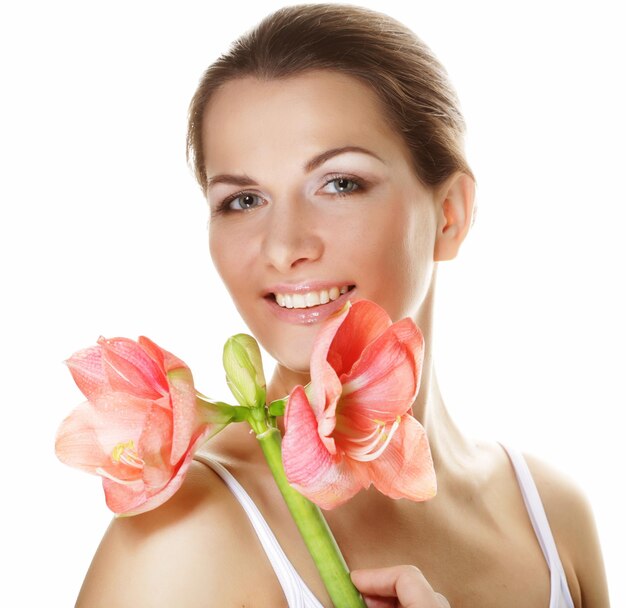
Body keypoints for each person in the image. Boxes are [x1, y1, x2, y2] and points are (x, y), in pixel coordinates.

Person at [75, 4, 609, 606]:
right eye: (243, 199)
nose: (284, 248)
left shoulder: (550, 516)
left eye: (340, 183)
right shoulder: (180, 541)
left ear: (450, 215)